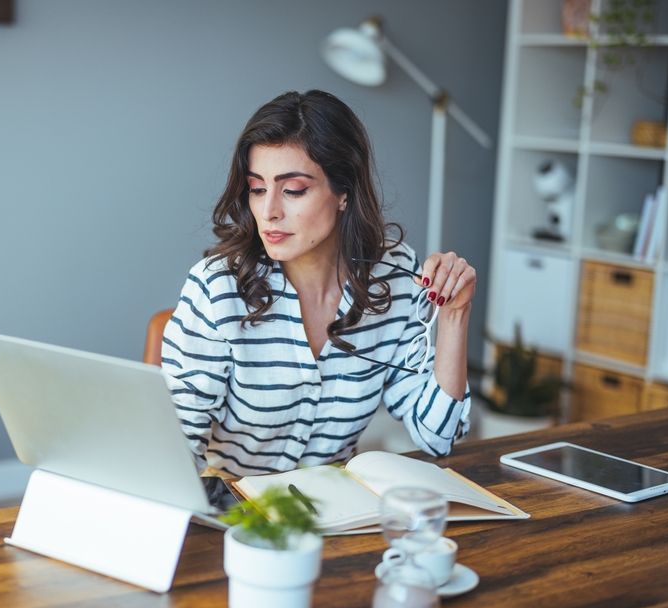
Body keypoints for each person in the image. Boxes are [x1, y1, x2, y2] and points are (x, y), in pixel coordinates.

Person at [162, 90, 475, 495]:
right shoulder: (217, 287)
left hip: (342, 519)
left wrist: (454, 317)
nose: (269, 210)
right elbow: (175, 449)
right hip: (240, 520)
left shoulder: (395, 278)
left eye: (292, 190)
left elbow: (439, 437)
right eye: (257, 188)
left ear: (343, 192)